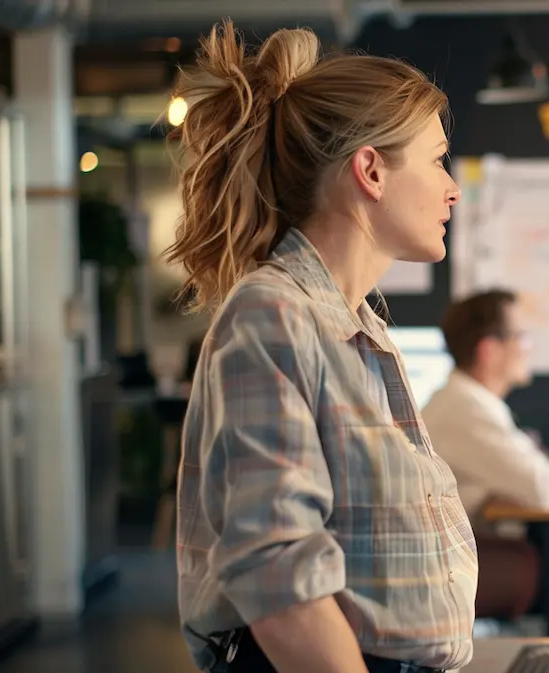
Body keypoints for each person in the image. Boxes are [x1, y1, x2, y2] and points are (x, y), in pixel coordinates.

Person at [168, 21, 475, 673]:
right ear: (370, 170)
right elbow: (277, 576)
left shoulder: (356, 326)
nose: (452, 187)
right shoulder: (272, 315)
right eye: (436, 159)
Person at [422, 289, 549, 629]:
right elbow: (544, 490)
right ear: (488, 350)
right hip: (452, 563)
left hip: (464, 550)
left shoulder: (467, 402)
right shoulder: (465, 411)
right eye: (521, 336)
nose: (529, 347)